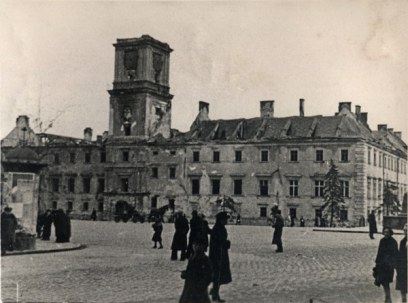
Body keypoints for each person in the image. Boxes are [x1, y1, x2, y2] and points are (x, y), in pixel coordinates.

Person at [179, 238, 213, 303]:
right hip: (189, 289)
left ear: (202, 247)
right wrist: (185, 274)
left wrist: (203, 284)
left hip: (199, 290)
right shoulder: (192, 258)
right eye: (194, 245)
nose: (195, 247)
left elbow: (209, 275)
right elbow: (190, 271)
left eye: (197, 245)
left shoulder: (205, 259)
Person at [209, 211, 232, 302]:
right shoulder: (219, 229)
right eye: (225, 219)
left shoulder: (218, 227)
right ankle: (215, 294)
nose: (226, 220)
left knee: (219, 275)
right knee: (218, 275)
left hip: (219, 254)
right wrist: (227, 243)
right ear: (221, 220)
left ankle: (214, 290)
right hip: (218, 255)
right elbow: (220, 242)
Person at [374, 227, 398, 303]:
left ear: (390, 233)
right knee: (384, 282)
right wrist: (377, 263)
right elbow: (379, 252)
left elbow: (395, 254)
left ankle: (388, 298)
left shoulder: (393, 242)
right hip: (382, 265)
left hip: (388, 266)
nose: (386, 233)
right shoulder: (382, 241)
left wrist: (393, 264)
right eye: (385, 232)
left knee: (386, 281)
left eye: (387, 232)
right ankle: (387, 298)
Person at [396, 224, 407, 303]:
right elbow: (400, 254)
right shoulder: (402, 242)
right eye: (405, 231)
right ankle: (403, 299)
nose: (406, 232)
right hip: (403, 266)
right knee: (402, 283)